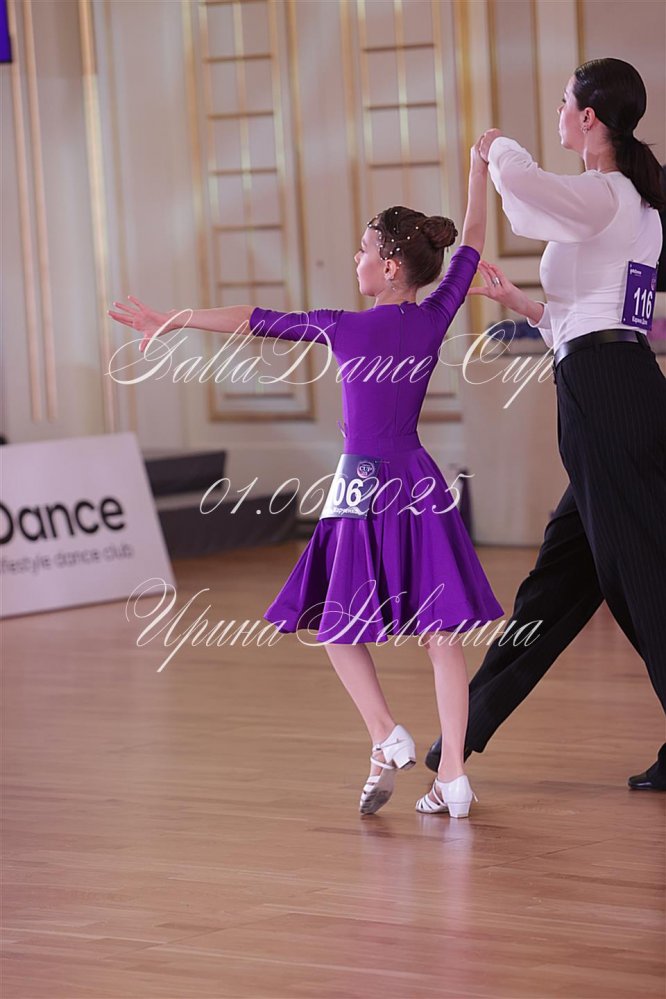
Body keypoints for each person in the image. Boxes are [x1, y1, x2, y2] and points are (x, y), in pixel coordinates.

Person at [108, 143, 504, 819]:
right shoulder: (435, 315)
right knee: (442, 634)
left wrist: (171, 320)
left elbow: (252, 320)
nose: (355, 258)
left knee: (335, 622)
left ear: (389, 265)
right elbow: (471, 238)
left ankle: (386, 733)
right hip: (417, 479)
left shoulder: (344, 328)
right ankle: (455, 776)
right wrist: (478, 169)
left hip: (359, 485)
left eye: (363, 249)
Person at [426, 58, 666, 792]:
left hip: (606, 395)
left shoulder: (607, 192)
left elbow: (526, 194)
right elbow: (597, 312)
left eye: (565, 102)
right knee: (558, 583)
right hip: (613, 387)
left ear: (589, 117)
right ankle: (459, 738)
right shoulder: (632, 204)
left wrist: (495, 147)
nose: (560, 112)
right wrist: (524, 305)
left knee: (640, 579)